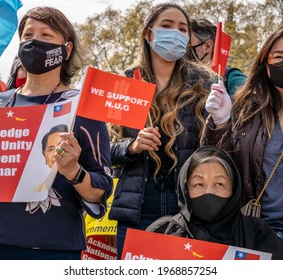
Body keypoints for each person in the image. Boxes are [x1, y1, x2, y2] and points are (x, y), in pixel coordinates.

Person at [0, 6, 112, 260]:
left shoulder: (83, 108)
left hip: (51, 247)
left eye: (46, 35)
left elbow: (100, 190)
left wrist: (73, 172)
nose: (35, 41)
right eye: (28, 35)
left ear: (66, 49)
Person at [203, 23, 283, 259]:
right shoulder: (247, 111)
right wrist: (220, 123)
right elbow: (219, 168)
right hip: (254, 239)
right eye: (279, 57)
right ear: (266, 66)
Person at [108, 2, 214, 258]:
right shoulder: (125, 81)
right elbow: (105, 151)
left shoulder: (205, 83)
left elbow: (217, 147)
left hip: (190, 207)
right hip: (137, 206)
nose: (175, 33)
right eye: (166, 26)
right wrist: (132, 146)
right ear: (148, 33)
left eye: (182, 29)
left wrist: (222, 122)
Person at [146, 146, 283, 260]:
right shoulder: (163, 232)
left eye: (219, 184)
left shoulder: (259, 234)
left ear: (233, 189)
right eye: (198, 184)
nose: (209, 192)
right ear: (185, 189)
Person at [190, 18, 246, 96]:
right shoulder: (182, 79)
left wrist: (230, 106)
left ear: (207, 46)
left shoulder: (231, 78)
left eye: (187, 43)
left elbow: (256, 99)